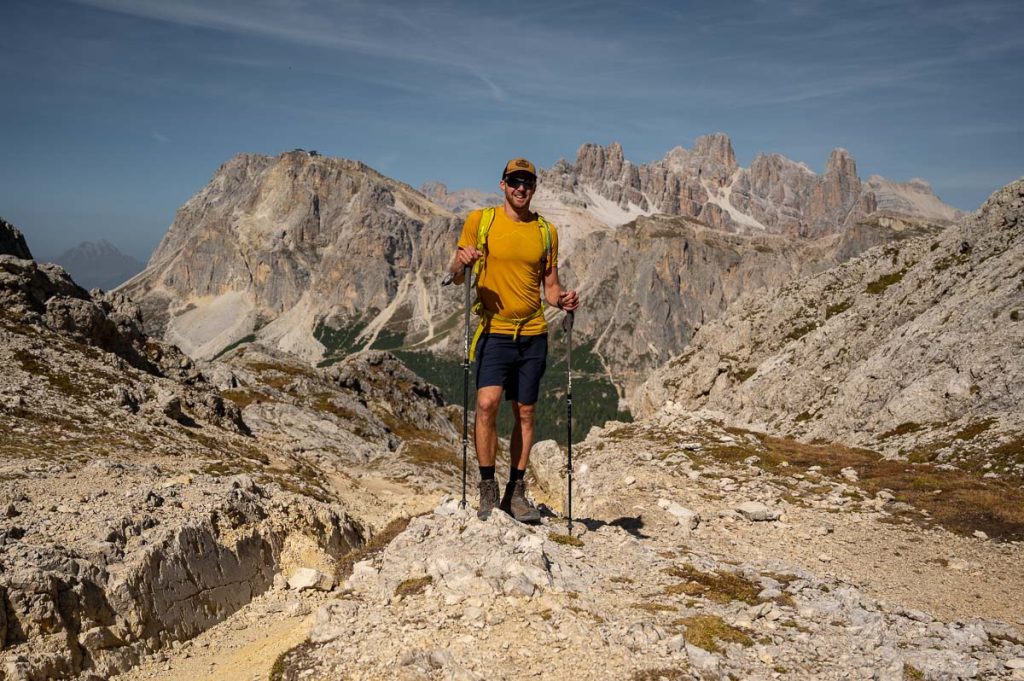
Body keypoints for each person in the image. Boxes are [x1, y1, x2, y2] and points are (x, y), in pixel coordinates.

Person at [449, 157, 580, 522]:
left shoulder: (546, 232)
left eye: (528, 182)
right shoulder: (481, 221)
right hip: (494, 331)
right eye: (515, 181)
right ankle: (488, 487)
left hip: (533, 332)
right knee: (487, 403)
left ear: (534, 188)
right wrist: (462, 261)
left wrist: (563, 299)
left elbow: (550, 289)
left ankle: (516, 491)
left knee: (525, 412)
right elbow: (456, 274)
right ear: (503, 184)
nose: (522, 188)